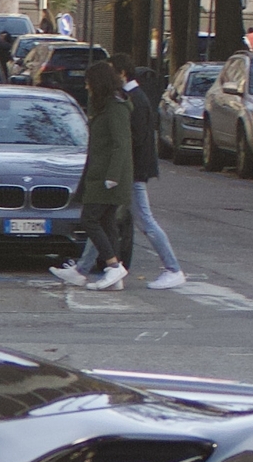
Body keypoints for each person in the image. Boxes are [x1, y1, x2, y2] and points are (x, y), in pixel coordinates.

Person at [60, 55, 185, 290]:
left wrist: (118, 174)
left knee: (139, 220)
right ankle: (88, 269)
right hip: (128, 172)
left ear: (122, 74)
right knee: (105, 219)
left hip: (130, 174)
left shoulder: (130, 100)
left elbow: (131, 142)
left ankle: (172, 268)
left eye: (111, 71)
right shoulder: (126, 99)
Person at [56, 60, 134, 291]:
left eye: (89, 83)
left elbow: (121, 144)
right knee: (107, 221)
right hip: (99, 174)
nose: (87, 87)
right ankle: (113, 275)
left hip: (108, 177)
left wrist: (113, 176)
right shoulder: (103, 106)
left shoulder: (115, 107)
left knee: (89, 219)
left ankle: (112, 265)